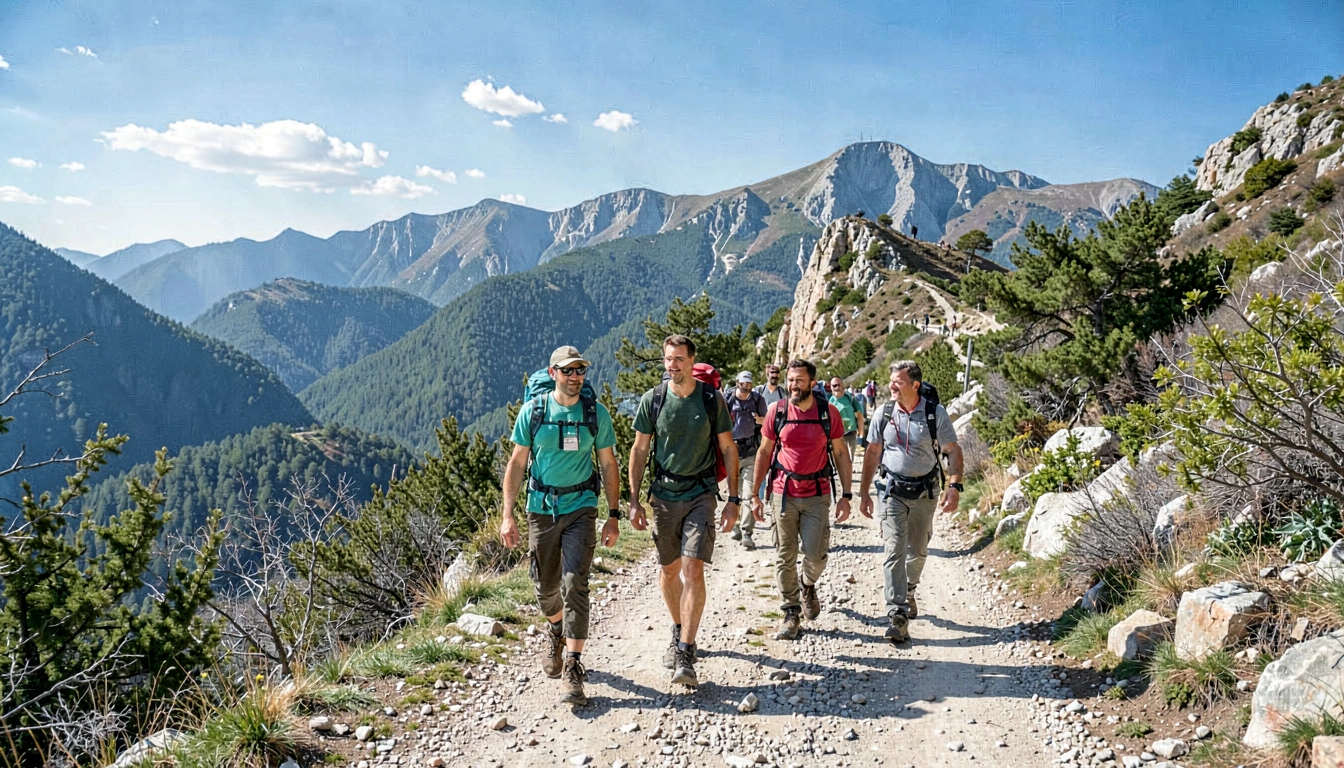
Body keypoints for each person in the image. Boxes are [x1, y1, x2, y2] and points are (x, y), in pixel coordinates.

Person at [500, 346, 621, 705]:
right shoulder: (533, 412)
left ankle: (573, 665)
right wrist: (508, 514)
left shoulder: (595, 414)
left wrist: (613, 515)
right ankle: (556, 628)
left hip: (581, 506)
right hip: (541, 508)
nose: (575, 377)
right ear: (553, 373)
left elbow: (608, 464)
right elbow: (517, 464)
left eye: (580, 370)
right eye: (567, 371)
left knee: (575, 585)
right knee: (544, 586)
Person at [629, 335, 743, 687]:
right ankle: (678, 627)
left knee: (692, 569)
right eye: (668, 359)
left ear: (692, 361)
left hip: (700, 493)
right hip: (663, 495)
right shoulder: (654, 400)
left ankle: (686, 650)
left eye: (679, 359)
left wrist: (734, 499)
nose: (673, 365)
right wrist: (633, 500)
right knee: (669, 570)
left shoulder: (712, 400)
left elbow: (728, 448)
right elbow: (639, 449)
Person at [857, 360, 963, 643]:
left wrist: (954, 487)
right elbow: (873, 452)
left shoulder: (933, 413)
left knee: (918, 551)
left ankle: (910, 589)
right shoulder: (884, 412)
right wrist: (864, 491)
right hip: (891, 491)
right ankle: (897, 614)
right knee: (893, 551)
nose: (892, 386)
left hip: (925, 492)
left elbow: (952, 450)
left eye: (898, 382)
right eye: (891, 381)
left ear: (915, 385)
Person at [752, 359, 852, 640]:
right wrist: (756, 495)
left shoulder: (827, 413)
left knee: (816, 555)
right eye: (790, 380)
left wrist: (846, 495)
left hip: (817, 494)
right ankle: (790, 611)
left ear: (812, 382)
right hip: (783, 494)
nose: (793, 385)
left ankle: (807, 584)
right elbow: (764, 452)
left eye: (799, 380)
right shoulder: (777, 411)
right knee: (785, 555)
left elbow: (841, 453)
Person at [728, 371, 767, 550]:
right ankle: (735, 525)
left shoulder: (758, 400)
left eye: (749, 383)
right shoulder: (728, 400)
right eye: (743, 383)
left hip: (751, 451)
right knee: (734, 493)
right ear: (737, 382)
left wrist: (758, 419)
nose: (746, 386)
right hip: (731, 452)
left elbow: (766, 422)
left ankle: (747, 533)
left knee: (749, 493)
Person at [827, 377, 865, 461]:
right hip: (837, 435)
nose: (837, 388)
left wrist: (861, 433)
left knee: (849, 458)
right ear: (831, 388)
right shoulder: (830, 401)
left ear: (843, 386)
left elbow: (859, 415)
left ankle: (848, 473)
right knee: (838, 458)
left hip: (850, 432)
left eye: (838, 385)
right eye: (834, 386)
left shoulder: (850, 398)